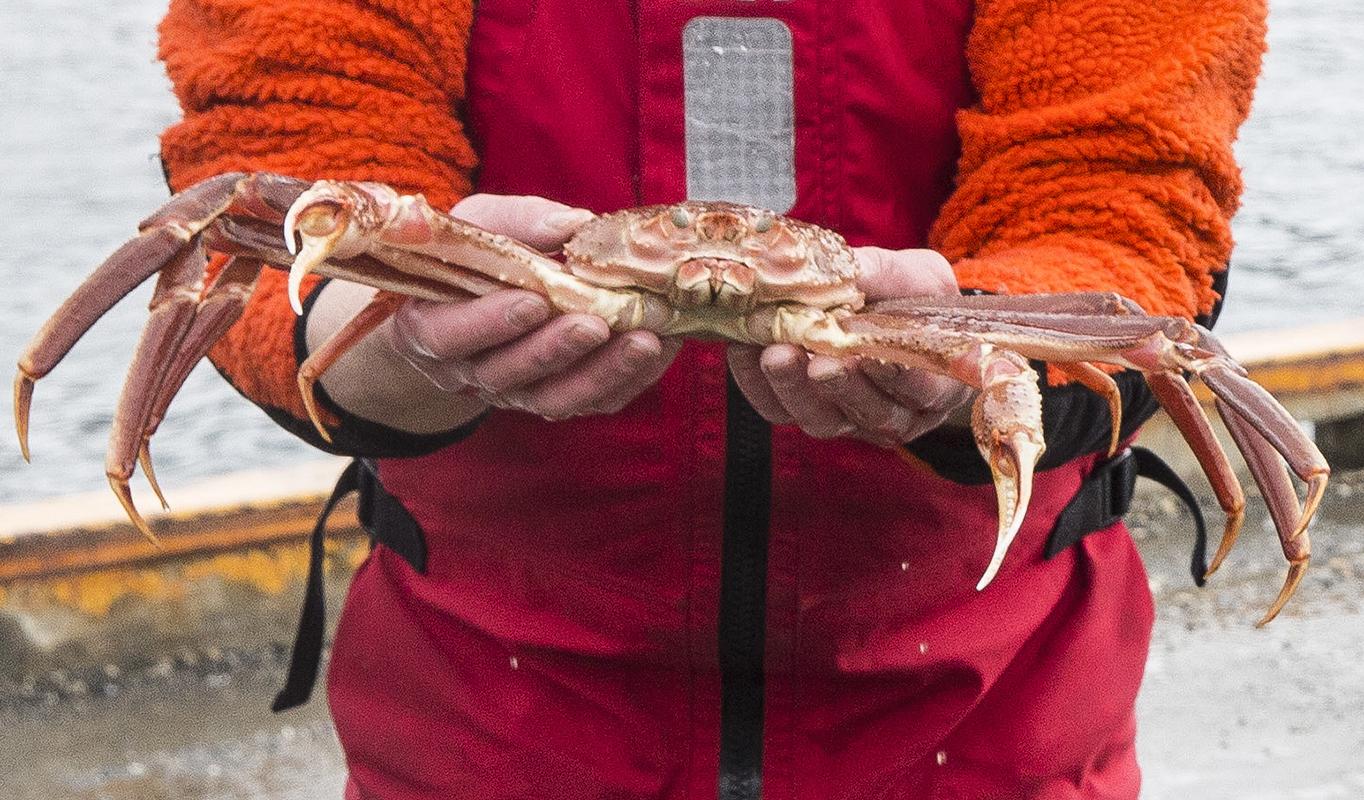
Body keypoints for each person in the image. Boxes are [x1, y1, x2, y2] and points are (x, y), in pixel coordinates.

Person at [156, 0, 1265, 797]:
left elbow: (1123, 211)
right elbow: (282, 177)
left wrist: (977, 367)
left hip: (987, 718)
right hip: (484, 717)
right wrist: (365, 351)